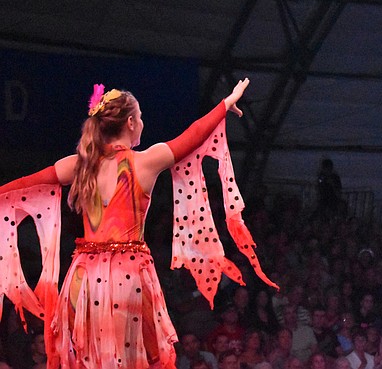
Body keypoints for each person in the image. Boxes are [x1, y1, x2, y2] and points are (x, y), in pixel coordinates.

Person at [0, 79, 277, 368]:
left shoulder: (80, 164)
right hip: (126, 275)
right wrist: (223, 106)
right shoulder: (144, 161)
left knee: (90, 360)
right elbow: (191, 137)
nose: (143, 122)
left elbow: (22, 185)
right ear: (130, 122)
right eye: (141, 117)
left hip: (83, 277)